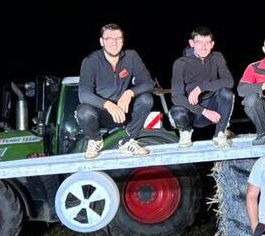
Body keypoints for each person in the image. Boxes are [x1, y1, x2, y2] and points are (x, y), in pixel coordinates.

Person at [75, 23, 155, 159]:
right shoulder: (90, 61)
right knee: (84, 111)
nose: (114, 42)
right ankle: (95, 140)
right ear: (102, 41)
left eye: (118, 38)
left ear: (123, 40)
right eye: (109, 39)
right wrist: (108, 105)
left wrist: (129, 93)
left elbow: (149, 83)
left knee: (146, 99)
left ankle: (128, 141)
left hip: (124, 111)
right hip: (102, 115)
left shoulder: (131, 57)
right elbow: (84, 94)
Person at [170, 26, 235, 149]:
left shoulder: (217, 57)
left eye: (207, 43)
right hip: (192, 112)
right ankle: (185, 132)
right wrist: (203, 111)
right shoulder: (181, 63)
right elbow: (176, 97)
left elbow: (229, 81)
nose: (203, 47)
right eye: (199, 42)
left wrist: (201, 88)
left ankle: (220, 134)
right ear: (191, 43)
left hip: (214, 110)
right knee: (177, 112)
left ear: (212, 44)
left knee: (226, 92)